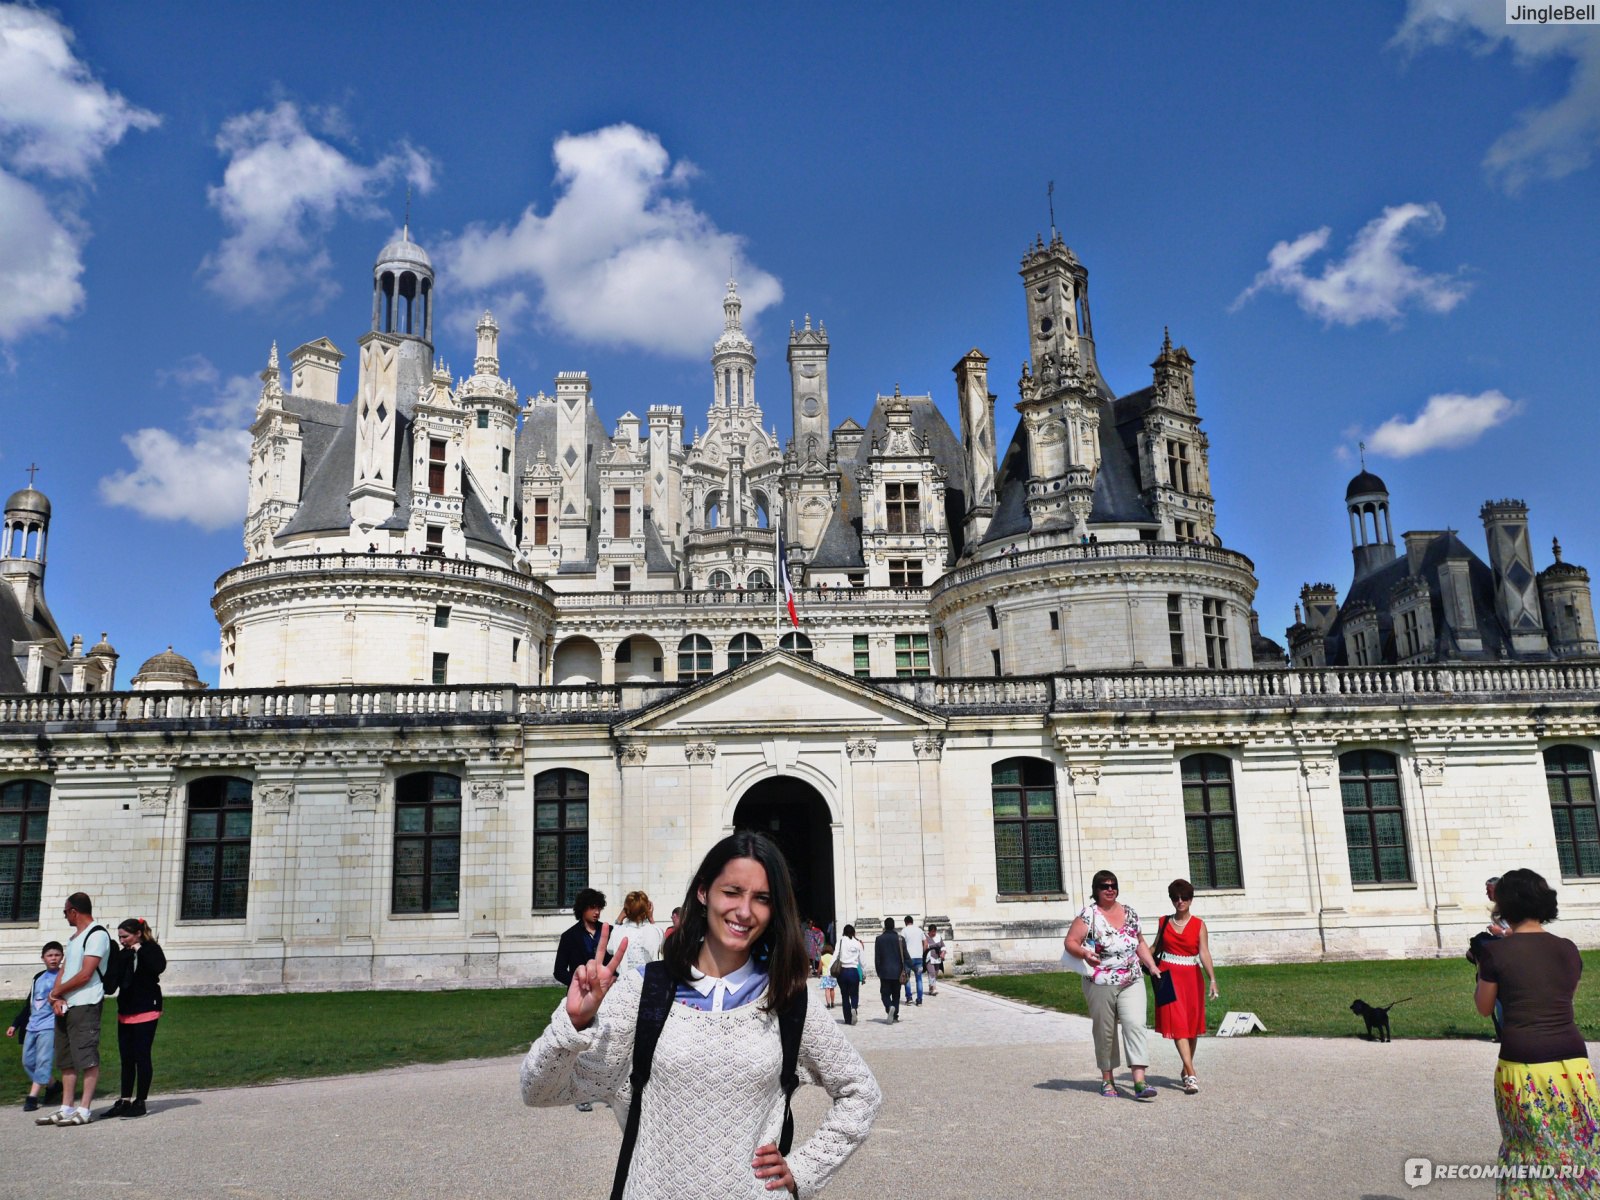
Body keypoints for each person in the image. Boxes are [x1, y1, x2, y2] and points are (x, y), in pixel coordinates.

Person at [520, 831, 881, 1198]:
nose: (744, 911)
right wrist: (574, 1024)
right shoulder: (644, 991)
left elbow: (861, 1093)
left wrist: (802, 1170)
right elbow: (539, 1090)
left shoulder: (787, 998)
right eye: (732, 892)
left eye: (761, 898)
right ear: (704, 892)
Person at [1474, 868, 1599, 1194]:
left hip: (1522, 1064)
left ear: (1504, 908)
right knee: (1578, 1147)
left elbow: (1485, 1008)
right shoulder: (1568, 948)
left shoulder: (1493, 952)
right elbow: (1562, 997)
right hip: (1573, 1063)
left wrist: (1483, 968)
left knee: (1527, 1152)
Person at [1063, 870, 1163, 1101]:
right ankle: (1107, 1079)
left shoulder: (1130, 913)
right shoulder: (1089, 915)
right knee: (1105, 1031)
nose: (1110, 889)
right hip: (1100, 981)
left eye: (1113, 885)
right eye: (1104, 886)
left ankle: (1139, 1081)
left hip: (1131, 978)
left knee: (1135, 1024)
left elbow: (1139, 942)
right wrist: (1085, 954)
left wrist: (1152, 965)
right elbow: (1070, 942)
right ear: (1096, 890)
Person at [37, 892, 112, 1126]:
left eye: (65, 912)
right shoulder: (73, 939)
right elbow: (64, 970)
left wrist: (58, 992)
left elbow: (85, 974)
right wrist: (55, 996)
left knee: (87, 1056)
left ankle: (84, 1109)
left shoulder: (97, 934)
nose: (65, 916)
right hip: (66, 1004)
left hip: (86, 1002)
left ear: (73, 911)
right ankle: (66, 1107)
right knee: (66, 1058)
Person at [1151, 880, 1218, 1094]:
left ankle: (1185, 1067)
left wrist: (1212, 979)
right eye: (1175, 898)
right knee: (1178, 1024)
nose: (1180, 901)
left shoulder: (1199, 925)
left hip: (1191, 978)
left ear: (1191, 899)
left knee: (1191, 1027)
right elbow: (1153, 947)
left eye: (1184, 898)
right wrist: (1134, 956)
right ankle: (1191, 1074)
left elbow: (1204, 952)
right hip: (1167, 978)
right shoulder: (1163, 922)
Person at [552, 888, 610, 1112]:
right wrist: (577, 982)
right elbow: (558, 970)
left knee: (604, 1044)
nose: (596, 912)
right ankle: (581, 1093)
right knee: (582, 1045)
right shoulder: (570, 936)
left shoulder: (608, 931)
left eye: (599, 907)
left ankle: (604, 1090)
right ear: (582, 909)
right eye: (592, 907)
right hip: (581, 998)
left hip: (605, 996)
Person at [104, 918, 166, 1119]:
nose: (122, 940)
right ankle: (124, 1099)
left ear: (138, 933)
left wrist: (139, 949)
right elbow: (113, 983)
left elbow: (158, 967)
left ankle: (141, 1101)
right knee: (127, 1058)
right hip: (126, 1010)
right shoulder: (124, 954)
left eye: (125, 936)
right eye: (120, 937)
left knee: (142, 1055)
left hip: (146, 1007)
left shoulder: (150, 949)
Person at [7, 940, 63, 1112]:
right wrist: (15, 1024)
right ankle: (53, 1086)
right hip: (32, 1025)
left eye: (57, 955)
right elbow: (29, 1004)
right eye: (50, 955)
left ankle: (32, 1096)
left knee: (43, 1061)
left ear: (62, 957)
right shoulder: (38, 978)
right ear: (43, 958)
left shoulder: (64, 976)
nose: (53, 959)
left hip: (50, 1025)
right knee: (28, 1061)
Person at [614, 891, 665, 970]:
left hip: (626, 978)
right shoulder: (655, 930)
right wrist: (651, 919)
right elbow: (662, 947)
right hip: (649, 978)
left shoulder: (618, 931)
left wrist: (619, 919)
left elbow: (610, 948)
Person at [874, 918, 907, 1023]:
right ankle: (895, 1015)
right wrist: (915, 967)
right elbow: (905, 955)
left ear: (885, 926)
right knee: (896, 994)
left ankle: (889, 1007)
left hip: (884, 972)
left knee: (885, 994)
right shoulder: (900, 939)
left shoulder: (879, 939)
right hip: (898, 971)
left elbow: (877, 958)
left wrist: (878, 971)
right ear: (893, 926)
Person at [834, 924, 864, 1025]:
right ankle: (854, 1008)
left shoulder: (841, 941)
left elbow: (835, 955)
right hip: (853, 971)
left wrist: (830, 970)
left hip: (842, 972)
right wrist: (863, 972)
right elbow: (862, 961)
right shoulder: (857, 943)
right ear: (853, 932)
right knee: (854, 994)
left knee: (845, 996)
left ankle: (847, 1019)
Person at [901, 916, 928, 1005]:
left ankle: (909, 998)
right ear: (912, 921)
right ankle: (919, 999)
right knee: (919, 979)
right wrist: (922, 952)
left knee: (907, 978)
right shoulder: (919, 930)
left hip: (908, 958)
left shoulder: (904, 931)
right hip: (918, 958)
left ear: (905, 922)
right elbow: (926, 943)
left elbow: (901, 944)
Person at [925, 924, 945, 996]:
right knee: (932, 973)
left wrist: (943, 953)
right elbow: (925, 946)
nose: (933, 933)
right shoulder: (925, 937)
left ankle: (931, 987)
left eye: (934, 932)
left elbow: (943, 946)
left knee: (935, 973)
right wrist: (934, 945)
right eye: (932, 932)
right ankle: (934, 988)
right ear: (929, 931)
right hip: (929, 957)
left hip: (937, 958)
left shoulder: (939, 937)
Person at [819, 944, 838, 1010]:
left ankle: (828, 1004)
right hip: (832, 975)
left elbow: (820, 967)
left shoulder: (822, 957)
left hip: (825, 975)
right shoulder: (833, 957)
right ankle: (832, 1002)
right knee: (832, 989)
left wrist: (818, 974)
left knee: (827, 990)